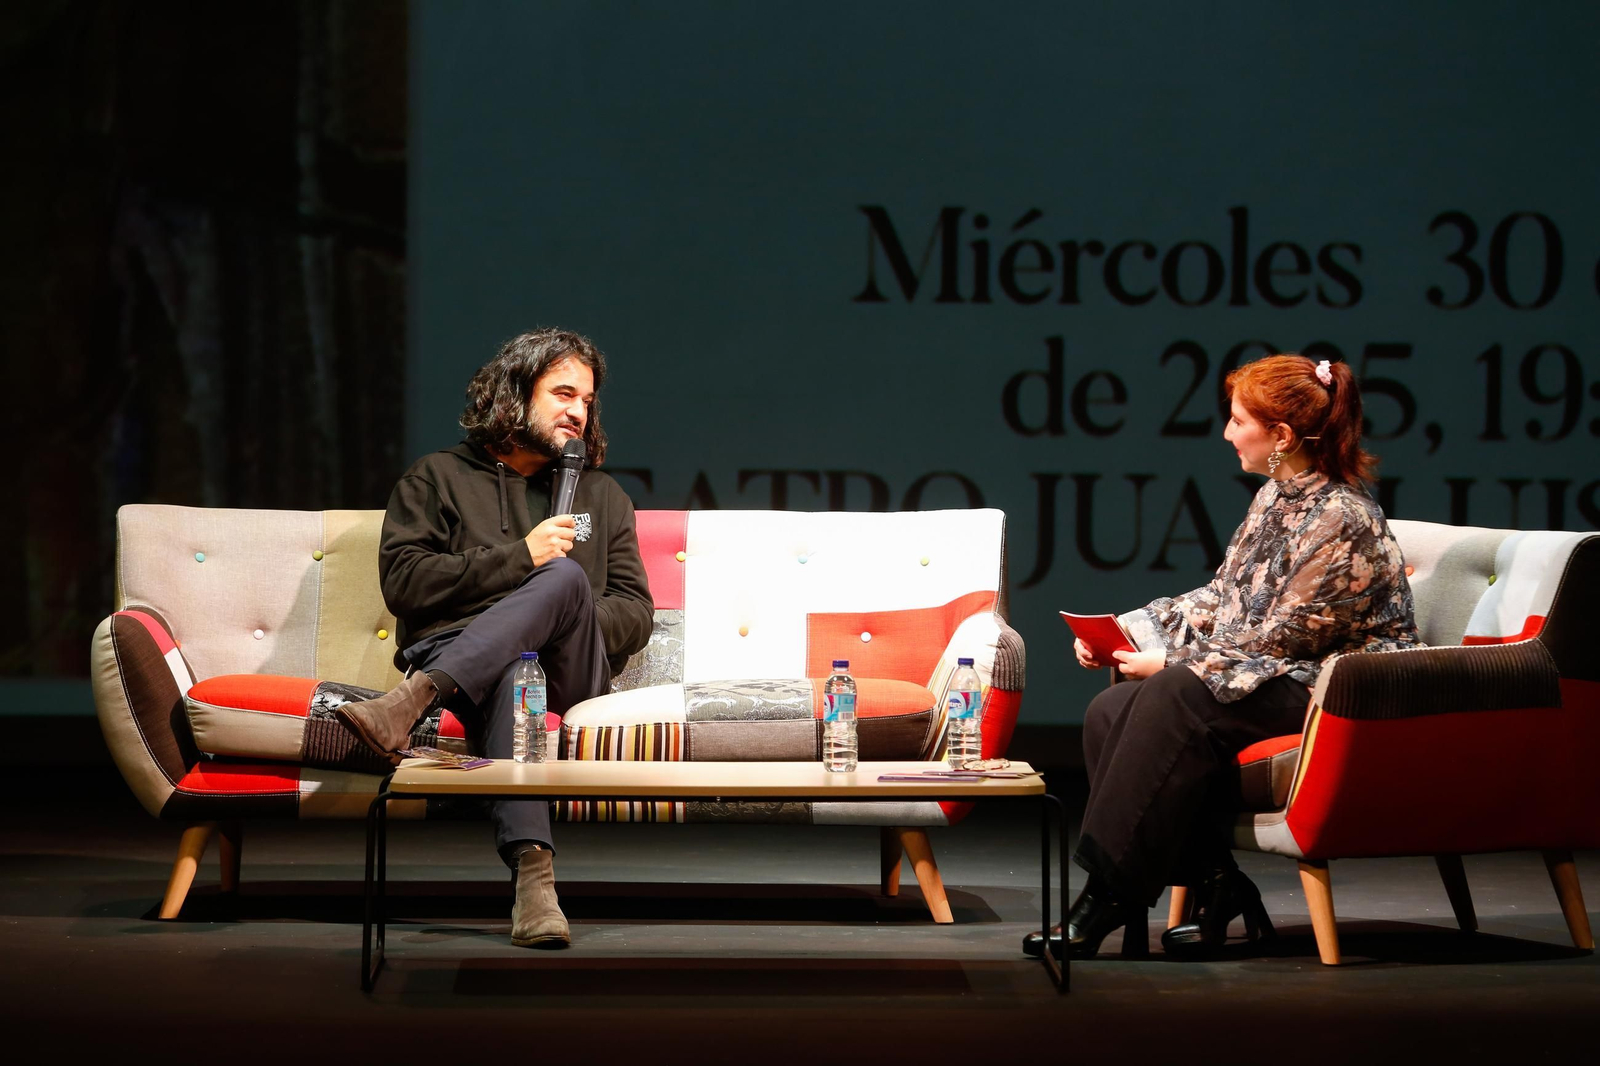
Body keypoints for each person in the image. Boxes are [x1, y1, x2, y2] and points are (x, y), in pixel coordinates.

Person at [1025, 354, 1420, 961]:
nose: (1227, 433)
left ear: (1282, 437)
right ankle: (1217, 884)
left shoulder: (1342, 517)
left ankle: (1109, 894)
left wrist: (1172, 664)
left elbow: (1283, 636)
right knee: (1113, 706)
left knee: (1173, 693)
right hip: (1273, 672)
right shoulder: (1275, 498)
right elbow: (1222, 599)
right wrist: (1130, 635)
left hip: (1334, 686)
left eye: (1238, 421)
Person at [334, 328, 653, 949]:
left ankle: (410, 702)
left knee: (562, 579)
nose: (578, 413)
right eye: (563, 393)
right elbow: (405, 583)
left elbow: (635, 612)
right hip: (468, 661)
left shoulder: (602, 494)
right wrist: (518, 564)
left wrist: (565, 607)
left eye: (587, 400)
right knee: (517, 665)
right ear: (515, 391)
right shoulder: (436, 478)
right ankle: (535, 879)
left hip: (571, 668)